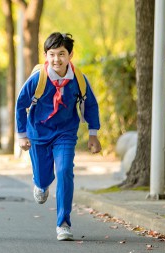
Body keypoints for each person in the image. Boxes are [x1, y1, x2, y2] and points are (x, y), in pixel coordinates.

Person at [15, 32, 101, 241]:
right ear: (46, 55)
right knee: (44, 177)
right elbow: (20, 104)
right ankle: (41, 184)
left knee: (64, 171)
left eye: (61, 54)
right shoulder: (38, 78)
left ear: (70, 55)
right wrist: (21, 135)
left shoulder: (78, 79)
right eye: (52, 54)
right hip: (38, 133)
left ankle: (63, 223)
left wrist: (93, 134)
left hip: (65, 132)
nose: (56, 59)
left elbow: (90, 105)